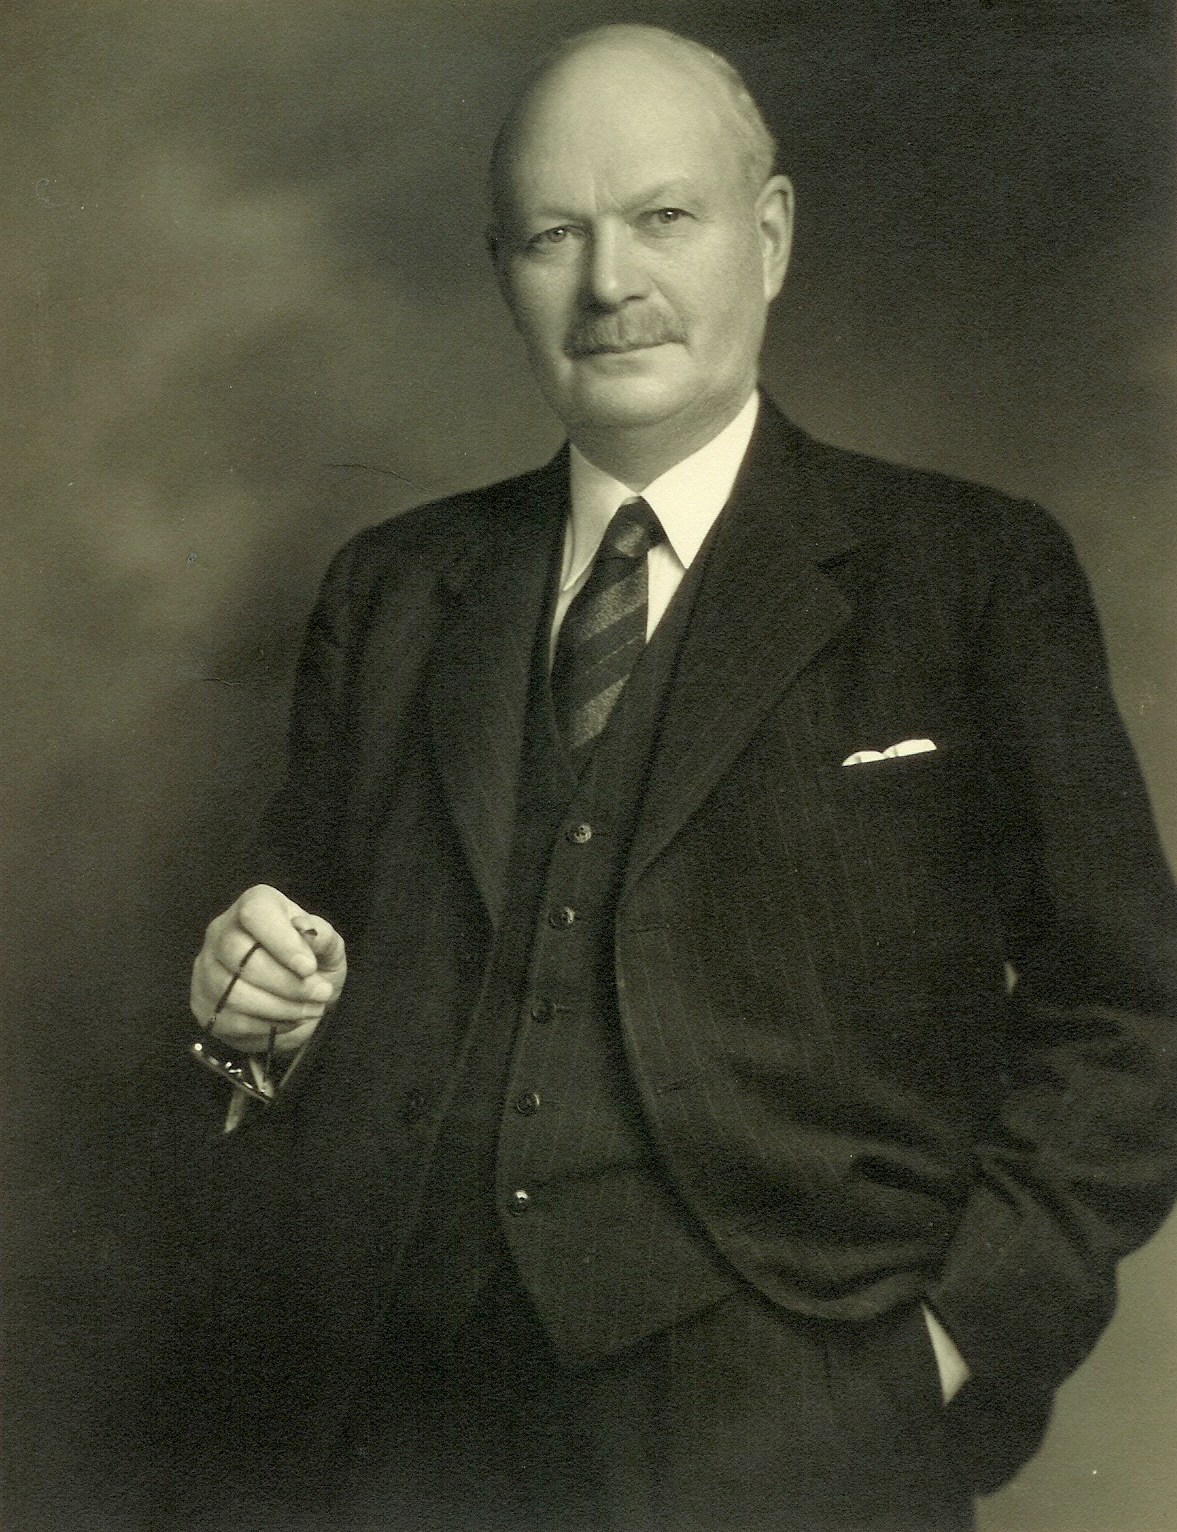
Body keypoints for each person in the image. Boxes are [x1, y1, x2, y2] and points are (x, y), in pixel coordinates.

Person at [174, 22, 1177, 1532]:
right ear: (502, 270)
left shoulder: (969, 572)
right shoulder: (392, 589)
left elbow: (1132, 1015)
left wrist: (950, 1343)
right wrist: (249, 1018)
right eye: (552, 236)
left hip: (803, 1416)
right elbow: (289, 996)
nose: (607, 283)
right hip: (410, 1427)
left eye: (661, 217)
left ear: (767, 238)